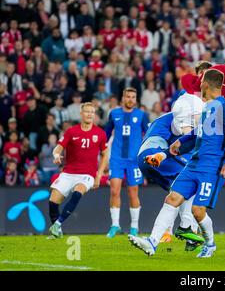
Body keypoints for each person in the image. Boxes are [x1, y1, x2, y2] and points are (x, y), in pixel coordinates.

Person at [128, 68, 225, 258]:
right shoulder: (207, 107)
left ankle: (210, 244)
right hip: (193, 165)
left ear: (206, 84)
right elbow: (197, 131)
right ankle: (152, 243)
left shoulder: (223, 106)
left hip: (209, 168)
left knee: (198, 211)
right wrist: (178, 143)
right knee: (172, 199)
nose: (199, 85)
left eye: (201, 82)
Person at [48, 102, 108, 238]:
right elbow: (58, 147)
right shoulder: (71, 131)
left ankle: (58, 224)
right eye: (87, 111)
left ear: (95, 115)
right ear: (81, 114)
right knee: (53, 201)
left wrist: (98, 176)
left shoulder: (100, 133)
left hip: (87, 174)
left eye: (92, 112)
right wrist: (56, 155)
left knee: (78, 192)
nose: (89, 114)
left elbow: (105, 154)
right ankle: (56, 231)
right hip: (69, 172)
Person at [104, 87, 149, 238]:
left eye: (133, 97)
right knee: (114, 191)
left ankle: (134, 227)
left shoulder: (141, 115)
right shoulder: (114, 113)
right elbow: (106, 133)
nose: (130, 99)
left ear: (135, 99)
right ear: (123, 98)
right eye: (128, 96)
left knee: (132, 192)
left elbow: (148, 135)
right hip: (117, 158)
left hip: (134, 161)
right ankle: (115, 225)